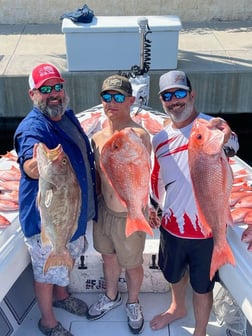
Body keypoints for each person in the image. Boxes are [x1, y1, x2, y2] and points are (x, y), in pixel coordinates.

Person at [148, 70, 239, 336]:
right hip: (172, 226)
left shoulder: (211, 126)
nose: (174, 100)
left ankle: (200, 331)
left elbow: (232, 145)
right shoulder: (159, 139)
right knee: (173, 275)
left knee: (203, 286)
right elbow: (157, 177)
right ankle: (177, 307)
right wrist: (153, 207)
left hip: (207, 229)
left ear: (192, 94)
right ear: (162, 101)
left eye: (179, 93)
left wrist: (225, 135)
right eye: (167, 96)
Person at [14, 63, 97, 336]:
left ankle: (62, 296)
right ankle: (47, 321)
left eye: (57, 86)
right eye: (45, 89)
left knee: (67, 255)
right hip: (45, 221)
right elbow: (29, 159)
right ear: (32, 94)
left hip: (71, 212)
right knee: (45, 272)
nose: (54, 94)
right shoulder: (33, 126)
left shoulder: (66, 115)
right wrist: (36, 165)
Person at [87, 75, 152, 334]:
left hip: (130, 212)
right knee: (108, 257)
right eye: (106, 97)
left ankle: (133, 302)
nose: (111, 102)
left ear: (131, 101)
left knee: (133, 263)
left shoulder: (137, 135)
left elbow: (142, 164)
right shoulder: (98, 138)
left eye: (118, 97)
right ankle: (111, 296)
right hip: (104, 212)